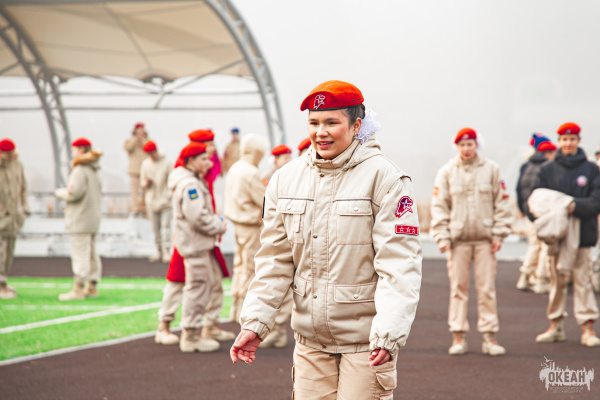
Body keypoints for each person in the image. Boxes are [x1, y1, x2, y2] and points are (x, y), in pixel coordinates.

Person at [230, 80, 422, 400]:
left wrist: (388, 335)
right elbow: (274, 262)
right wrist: (255, 322)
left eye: (332, 122)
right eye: (314, 123)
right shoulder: (285, 179)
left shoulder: (386, 178)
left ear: (357, 126)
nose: (321, 132)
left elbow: (399, 265)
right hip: (309, 345)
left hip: (367, 346)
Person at [430, 127, 513, 356]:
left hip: (485, 241)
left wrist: (499, 234)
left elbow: (502, 203)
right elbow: (439, 206)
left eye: (470, 144)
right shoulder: (446, 172)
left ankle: (489, 337)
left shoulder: (492, 169)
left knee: (487, 289)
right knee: (458, 289)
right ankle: (458, 336)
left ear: (477, 145)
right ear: (456, 147)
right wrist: (442, 236)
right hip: (458, 242)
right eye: (462, 145)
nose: (466, 149)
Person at [156, 130, 234, 345]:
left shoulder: (201, 171)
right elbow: (194, 213)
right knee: (180, 281)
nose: (212, 151)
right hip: (192, 237)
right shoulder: (188, 176)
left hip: (204, 235)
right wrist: (215, 225)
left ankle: (209, 325)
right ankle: (166, 325)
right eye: (207, 145)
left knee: (213, 280)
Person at [532, 122, 600, 347]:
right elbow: (535, 200)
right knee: (556, 283)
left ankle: (587, 327)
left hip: (582, 236)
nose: (568, 143)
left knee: (583, 282)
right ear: (559, 141)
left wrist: (572, 206)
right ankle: (556, 325)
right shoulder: (547, 170)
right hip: (556, 237)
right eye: (564, 139)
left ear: (578, 141)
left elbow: (596, 201)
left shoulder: (591, 170)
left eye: (572, 139)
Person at [223, 133, 268, 324]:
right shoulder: (251, 173)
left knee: (240, 265)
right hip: (251, 225)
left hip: (238, 223)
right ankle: (244, 311)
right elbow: (265, 201)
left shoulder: (236, 167)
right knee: (250, 267)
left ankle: (234, 309)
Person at [55, 137, 103, 301]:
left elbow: (73, 193)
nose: (72, 153)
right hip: (93, 218)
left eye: (74, 149)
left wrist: (59, 193)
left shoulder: (80, 170)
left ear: (81, 150)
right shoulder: (94, 169)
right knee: (91, 253)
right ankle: (92, 286)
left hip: (81, 218)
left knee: (80, 253)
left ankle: (79, 288)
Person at [515, 138, 556, 293]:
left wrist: (523, 209)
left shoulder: (527, 166)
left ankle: (525, 276)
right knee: (545, 246)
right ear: (548, 153)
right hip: (542, 214)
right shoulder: (547, 169)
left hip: (529, 212)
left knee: (534, 246)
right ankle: (540, 279)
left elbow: (519, 189)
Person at [0, 138, 29, 299]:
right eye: (6, 154)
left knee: (8, 252)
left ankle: (3, 280)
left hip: (14, 218)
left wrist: (24, 208)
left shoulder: (17, 164)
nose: (10, 156)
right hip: (1, 216)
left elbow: (23, 187)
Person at [140, 141, 172, 263]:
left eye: (152, 153)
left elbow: (172, 180)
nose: (151, 156)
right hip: (151, 200)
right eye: (149, 154)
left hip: (165, 201)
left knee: (165, 227)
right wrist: (146, 183)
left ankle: (166, 251)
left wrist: (168, 196)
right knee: (155, 228)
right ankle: (158, 250)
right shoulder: (145, 164)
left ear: (156, 151)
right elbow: (142, 181)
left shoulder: (167, 162)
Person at [124, 122, 149, 214]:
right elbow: (128, 148)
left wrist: (142, 139)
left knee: (145, 191)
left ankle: (144, 208)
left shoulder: (147, 141)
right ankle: (135, 208)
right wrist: (136, 138)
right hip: (134, 170)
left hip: (145, 170)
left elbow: (148, 148)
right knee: (134, 192)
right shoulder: (130, 141)